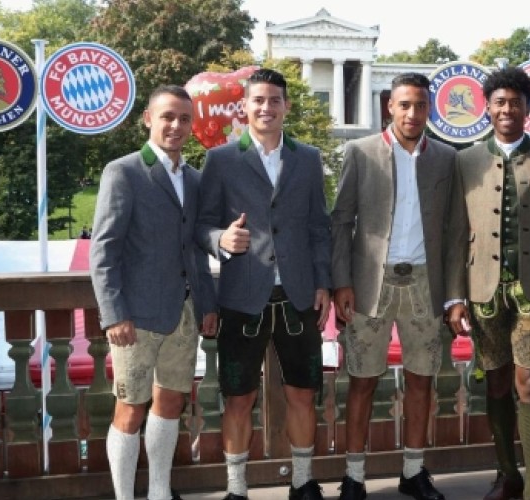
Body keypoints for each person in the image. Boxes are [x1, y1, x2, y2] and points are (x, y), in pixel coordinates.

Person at [196, 68, 332, 500]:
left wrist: (324, 282)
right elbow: (200, 225)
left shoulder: (308, 158)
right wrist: (220, 239)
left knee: (302, 393)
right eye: (258, 100)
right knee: (237, 397)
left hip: (297, 294)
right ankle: (237, 487)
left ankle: (302, 481)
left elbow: (318, 227)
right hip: (241, 296)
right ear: (244, 106)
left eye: (275, 100)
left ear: (286, 106)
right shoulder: (220, 159)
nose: (266, 108)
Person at [445, 66, 530, 500]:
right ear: (488, 107)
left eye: (516, 102)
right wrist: (454, 296)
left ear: (527, 108)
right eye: (500, 102)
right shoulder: (465, 160)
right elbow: (454, 232)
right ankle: (507, 475)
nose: (507, 109)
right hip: (482, 291)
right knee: (497, 383)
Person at [331, 72, 457, 500]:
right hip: (371, 282)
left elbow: (454, 231)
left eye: (420, 105)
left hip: (425, 282)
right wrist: (341, 282)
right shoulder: (361, 152)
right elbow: (341, 221)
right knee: (362, 379)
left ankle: (414, 471)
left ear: (429, 109)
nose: (412, 113)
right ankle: (353, 475)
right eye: (405, 105)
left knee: (423, 378)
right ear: (390, 106)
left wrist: (453, 292)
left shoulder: (445, 157)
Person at [89, 84, 217, 500]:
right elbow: (103, 249)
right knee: (129, 409)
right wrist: (113, 314)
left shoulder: (196, 180)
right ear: (148, 118)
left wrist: (207, 305)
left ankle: (160, 491)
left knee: (172, 403)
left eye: (183, 118)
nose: (175, 125)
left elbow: (196, 249)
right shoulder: (123, 171)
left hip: (183, 313)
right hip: (135, 317)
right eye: (167, 116)